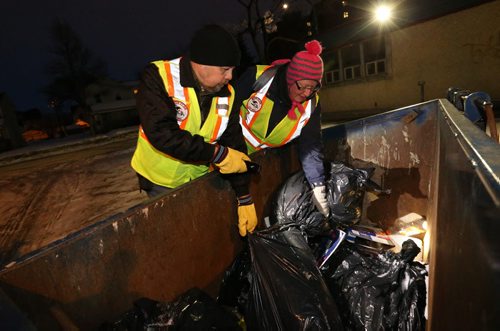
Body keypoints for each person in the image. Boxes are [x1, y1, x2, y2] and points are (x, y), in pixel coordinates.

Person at [131, 25, 257, 236]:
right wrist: (217, 154)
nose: (230, 76)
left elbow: (233, 144)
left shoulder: (229, 94)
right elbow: (163, 133)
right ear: (201, 63)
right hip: (160, 180)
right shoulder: (158, 77)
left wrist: (244, 197)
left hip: (197, 179)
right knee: (176, 238)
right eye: (225, 69)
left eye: (233, 69)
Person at [235, 40, 330, 217]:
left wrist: (318, 186)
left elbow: (310, 147)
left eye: (314, 87)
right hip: (231, 154)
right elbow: (225, 115)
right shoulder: (257, 78)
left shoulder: (312, 105)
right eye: (302, 86)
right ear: (290, 78)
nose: (307, 93)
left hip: (260, 167)